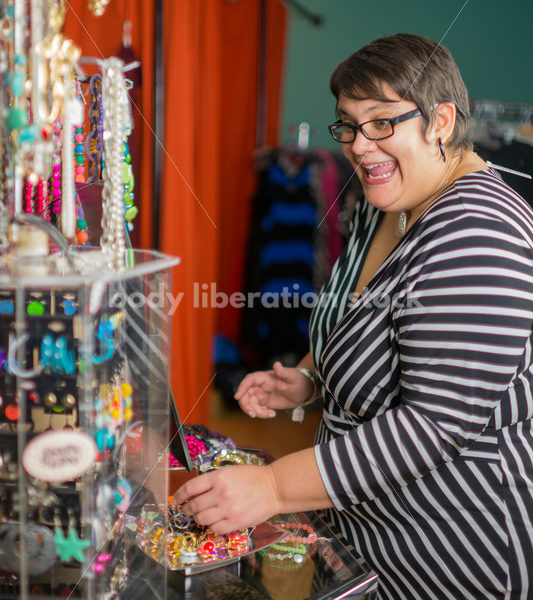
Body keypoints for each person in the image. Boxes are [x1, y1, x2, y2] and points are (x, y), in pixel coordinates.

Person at [174, 33, 533, 600]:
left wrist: (270, 486)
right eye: (349, 125)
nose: (361, 146)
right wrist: (312, 380)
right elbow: (361, 319)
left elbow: (432, 425)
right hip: (360, 542)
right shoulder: (384, 200)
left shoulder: (478, 234)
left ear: (441, 120)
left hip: (451, 557)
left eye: (383, 122)